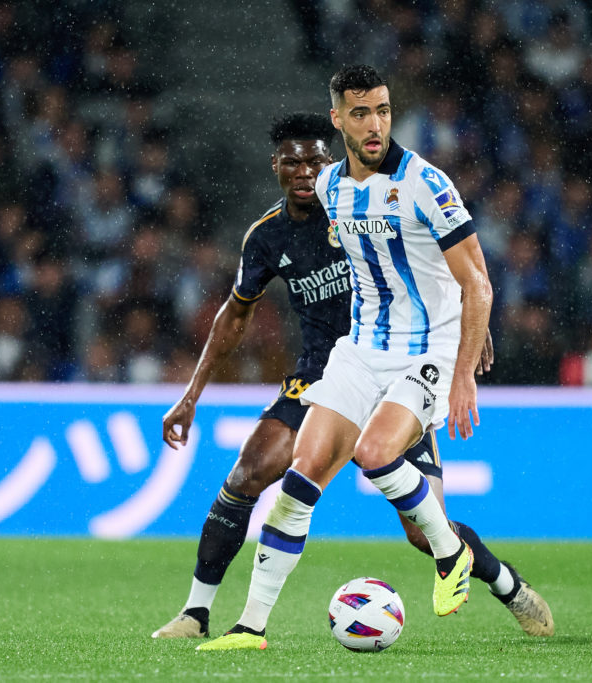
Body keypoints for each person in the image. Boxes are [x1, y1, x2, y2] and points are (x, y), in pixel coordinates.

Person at [154, 112, 553, 643]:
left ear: (331, 161)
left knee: (422, 530)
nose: (303, 171)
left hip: (402, 370)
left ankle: (508, 585)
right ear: (274, 166)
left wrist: (470, 332)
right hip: (325, 374)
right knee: (249, 474)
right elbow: (236, 313)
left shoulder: (371, 207)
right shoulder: (268, 237)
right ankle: (198, 613)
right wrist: (191, 395)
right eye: (291, 161)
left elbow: (448, 265)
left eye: (314, 160)